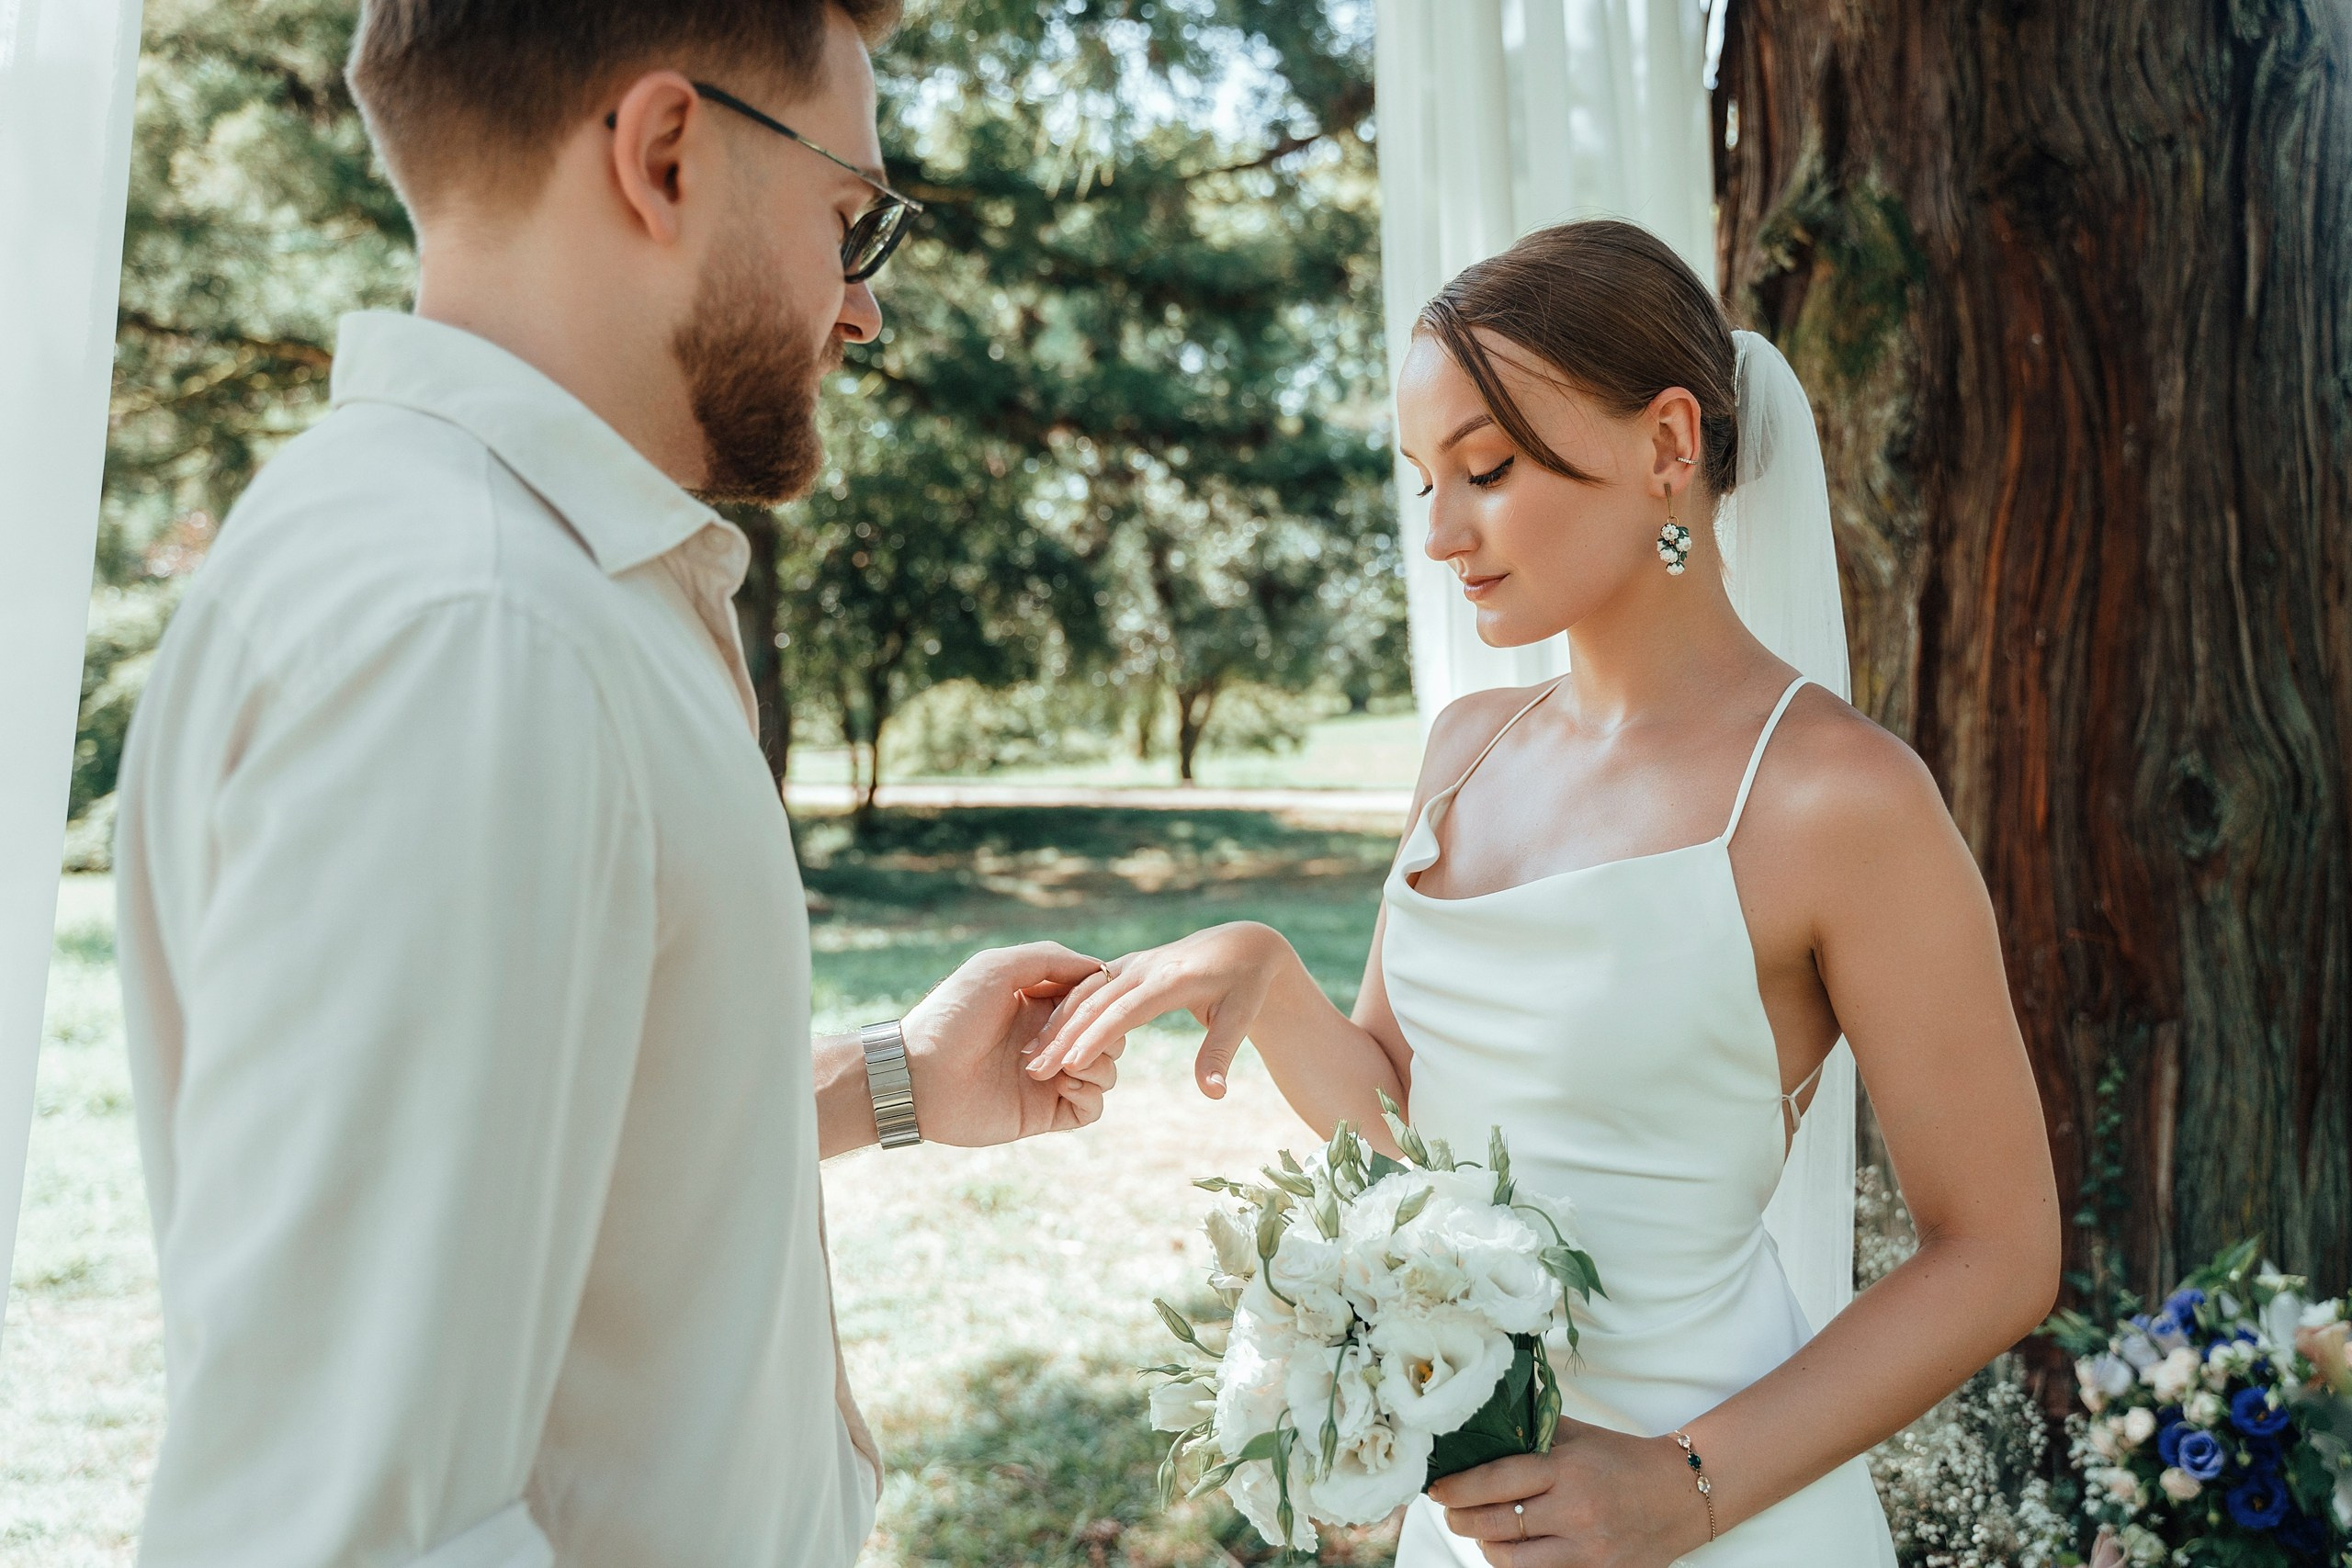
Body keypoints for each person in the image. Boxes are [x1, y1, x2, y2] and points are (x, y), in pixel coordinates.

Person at [109, 3, 1114, 1563]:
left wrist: (897, 1077)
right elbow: (346, 1525)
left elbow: (534, 1159)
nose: (860, 315)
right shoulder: (474, 636)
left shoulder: (500, 577)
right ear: (663, 158)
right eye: (851, 221)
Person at [1026, 220, 2063, 1565]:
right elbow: (1410, 1142)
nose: (1444, 532)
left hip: (1724, 1514)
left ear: (1669, 446)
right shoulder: (1468, 751)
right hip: (1483, 1526)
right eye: (1423, 482)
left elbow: (1998, 1250)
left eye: (1489, 468)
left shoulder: (1838, 802)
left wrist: (1683, 1487)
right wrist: (1266, 980)